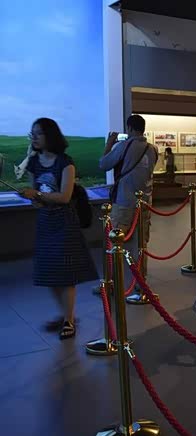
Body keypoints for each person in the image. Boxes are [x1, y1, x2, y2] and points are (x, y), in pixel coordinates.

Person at [19, 118, 98, 339]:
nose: (34, 137)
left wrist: (37, 194)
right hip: (45, 222)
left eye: (38, 133)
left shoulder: (65, 162)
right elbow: (37, 198)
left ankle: (69, 320)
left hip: (64, 223)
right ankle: (65, 314)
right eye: (32, 133)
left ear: (50, 135)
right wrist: (33, 197)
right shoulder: (34, 163)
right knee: (49, 273)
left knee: (65, 275)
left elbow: (64, 196)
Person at [99, 114, 158, 261]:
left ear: (129, 128)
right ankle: (140, 274)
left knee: (115, 242)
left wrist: (109, 144)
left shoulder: (123, 146)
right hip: (144, 203)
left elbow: (103, 164)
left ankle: (116, 274)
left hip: (124, 203)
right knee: (141, 245)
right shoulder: (153, 149)